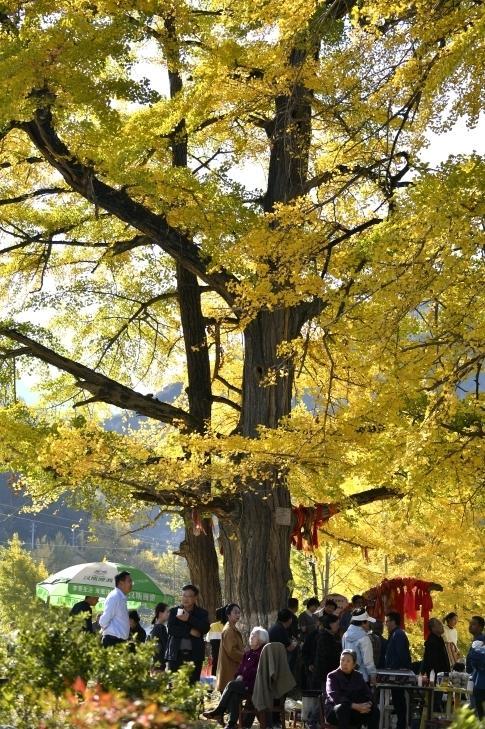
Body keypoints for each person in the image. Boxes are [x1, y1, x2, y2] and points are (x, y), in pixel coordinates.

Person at [204, 627, 269, 729]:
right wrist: (239, 675)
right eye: (251, 635)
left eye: (254, 636)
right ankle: (231, 724)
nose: (251, 637)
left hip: (255, 685)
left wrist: (243, 675)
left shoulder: (262, 654)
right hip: (245, 684)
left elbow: (257, 672)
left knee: (231, 685)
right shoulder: (248, 653)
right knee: (234, 693)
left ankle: (219, 711)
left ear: (261, 640)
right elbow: (240, 669)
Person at [166, 583, 210, 683]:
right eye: (184, 595)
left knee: (192, 685)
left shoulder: (202, 613)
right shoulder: (174, 611)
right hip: (176, 656)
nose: (186, 599)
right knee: (175, 686)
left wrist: (189, 618)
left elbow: (205, 628)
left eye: (189, 596)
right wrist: (189, 631)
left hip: (195, 656)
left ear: (195, 598)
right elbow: (171, 629)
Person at [325, 649, 380, 729]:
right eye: (342, 660)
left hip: (355, 711)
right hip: (335, 711)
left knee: (374, 711)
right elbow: (335, 696)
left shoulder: (358, 676)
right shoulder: (332, 676)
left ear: (354, 664)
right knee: (342, 708)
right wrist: (353, 705)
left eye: (348, 661)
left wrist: (367, 705)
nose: (344, 663)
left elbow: (368, 694)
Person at [385, 612, 412, 729]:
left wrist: (397, 668)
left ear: (393, 622)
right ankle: (400, 724)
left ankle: (401, 725)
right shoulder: (394, 634)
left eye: (387, 621)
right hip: (395, 672)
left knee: (399, 700)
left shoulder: (398, 634)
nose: (386, 624)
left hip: (398, 674)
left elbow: (401, 655)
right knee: (397, 699)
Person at [342, 608, 377, 684]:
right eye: (368, 622)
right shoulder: (364, 638)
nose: (369, 624)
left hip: (346, 677)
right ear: (363, 623)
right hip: (362, 678)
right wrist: (373, 675)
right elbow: (368, 660)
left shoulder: (345, 635)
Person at [99, 571, 132, 647]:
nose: (131, 584)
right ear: (121, 583)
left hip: (118, 641)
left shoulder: (120, 597)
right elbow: (104, 620)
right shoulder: (115, 596)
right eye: (129, 581)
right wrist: (109, 631)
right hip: (112, 640)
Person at [217, 603, 245, 692]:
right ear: (228, 615)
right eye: (235, 612)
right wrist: (245, 656)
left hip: (232, 666)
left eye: (239, 613)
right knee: (230, 696)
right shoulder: (229, 630)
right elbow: (232, 651)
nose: (238, 615)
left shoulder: (232, 628)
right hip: (230, 668)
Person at [311, 613, 342, 690]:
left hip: (329, 673)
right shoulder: (324, 637)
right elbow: (328, 656)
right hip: (325, 673)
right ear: (330, 624)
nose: (339, 626)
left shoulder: (332, 636)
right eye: (337, 624)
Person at [207, 605, 227, 676]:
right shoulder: (228, 626)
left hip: (215, 655)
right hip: (226, 655)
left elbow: (208, 639)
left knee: (215, 671)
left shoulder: (212, 626)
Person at [150, 601, 170, 670]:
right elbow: (166, 646)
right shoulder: (161, 627)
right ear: (160, 614)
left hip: (155, 663)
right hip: (159, 664)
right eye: (167, 612)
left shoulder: (156, 627)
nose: (169, 614)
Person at [468, 639, 485, 719]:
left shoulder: (478, 650)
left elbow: (472, 661)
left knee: (480, 713)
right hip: (479, 684)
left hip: (479, 684)